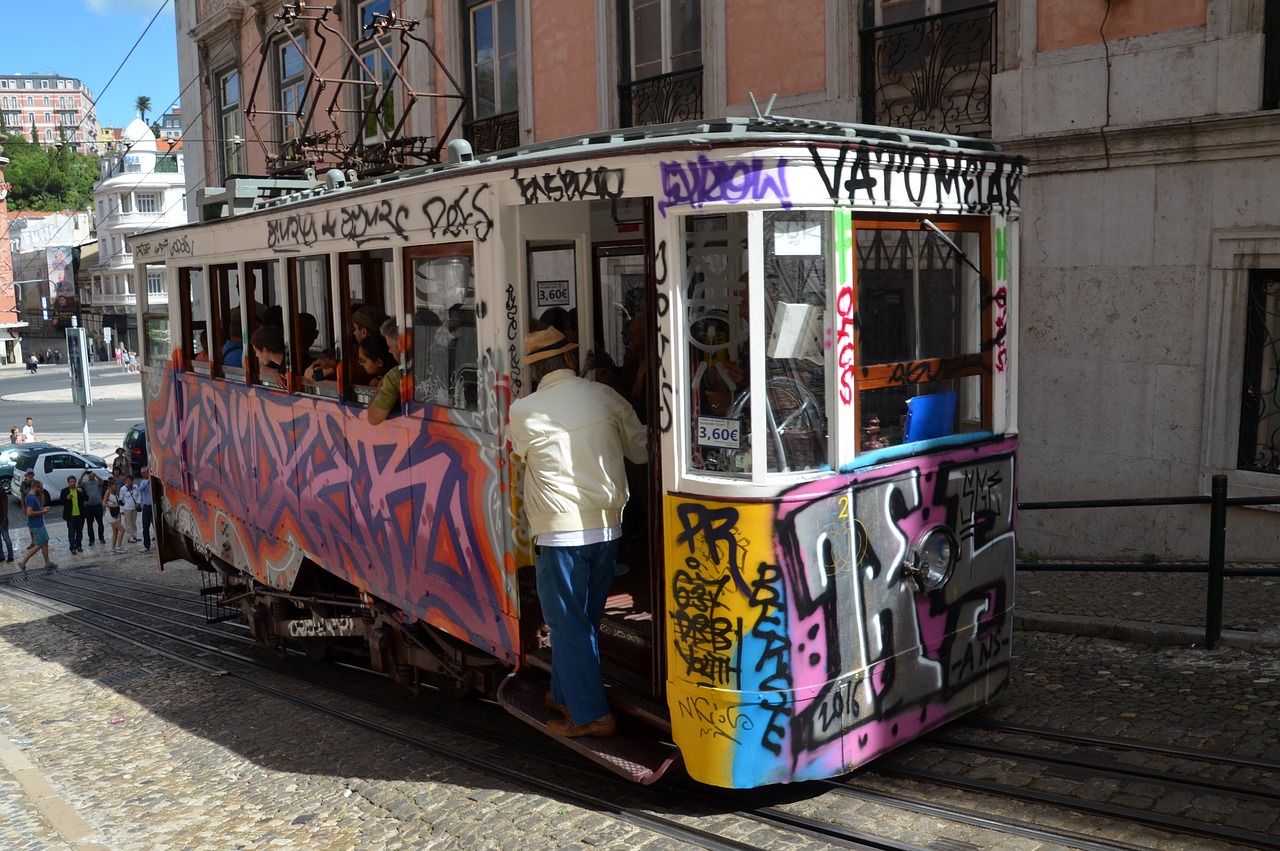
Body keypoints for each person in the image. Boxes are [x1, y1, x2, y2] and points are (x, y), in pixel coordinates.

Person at [507, 327, 648, 738]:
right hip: (608, 528)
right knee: (582, 619)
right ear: (569, 360)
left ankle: (591, 716)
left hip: (561, 534)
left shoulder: (525, 410)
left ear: (535, 370)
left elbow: (520, 457)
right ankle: (563, 693)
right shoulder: (603, 396)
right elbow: (640, 450)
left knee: (569, 625)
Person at [361, 336, 400, 425]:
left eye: (363, 361)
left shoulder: (391, 377)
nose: (390, 351)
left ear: (379, 362)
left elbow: (373, 418)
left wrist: (379, 387)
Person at [17, 480, 55, 571]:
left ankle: (47, 563)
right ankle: (23, 562)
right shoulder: (30, 498)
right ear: (36, 487)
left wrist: (42, 508)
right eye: (40, 487)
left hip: (39, 523)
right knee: (39, 544)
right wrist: (43, 511)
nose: (42, 489)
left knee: (45, 541)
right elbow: (29, 513)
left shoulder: (33, 497)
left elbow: (35, 508)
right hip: (36, 525)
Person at [60, 475, 87, 554]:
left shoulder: (79, 489)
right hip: (70, 516)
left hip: (80, 515)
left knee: (79, 531)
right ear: (68, 482)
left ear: (75, 482)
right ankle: (72, 547)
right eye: (70, 482)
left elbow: (87, 498)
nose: (72, 483)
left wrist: (82, 492)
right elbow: (61, 502)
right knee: (71, 532)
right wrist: (67, 499)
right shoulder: (64, 491)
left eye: (73, 481)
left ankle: (79, 545)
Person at [80, 470, 105, 546]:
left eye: (92, 475)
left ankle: (101, 538)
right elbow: (79, 484)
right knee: (89, 524)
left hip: (98, 505)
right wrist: (82, 476)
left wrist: (96, 475)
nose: (91, 476)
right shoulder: (85, 483)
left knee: (100, 522)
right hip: (88, 506)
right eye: (89, 475)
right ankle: (91, 539)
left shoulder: (97, 483)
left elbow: (102, 482)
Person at [104, 478, 126, 554]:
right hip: (110, 514)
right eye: (115, 484)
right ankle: (119, 547)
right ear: (111, 485)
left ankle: (113, 549)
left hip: (116, 514)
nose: (117, 486)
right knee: (122, 529)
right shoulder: (108, 492)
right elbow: (103, 503)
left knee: (115, 532)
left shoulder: (114, 492)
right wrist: (113, 506)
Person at [119, 475, 140, 543]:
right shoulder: (123, 489)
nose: (128, 482)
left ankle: (134, 535)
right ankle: (129, 536)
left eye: (129, 480)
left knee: (133, 522)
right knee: (128, 523)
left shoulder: (135, 487)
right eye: (127, 480)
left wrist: (138, 503)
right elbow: (120, 499)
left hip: (134, 507)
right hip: (127, 508)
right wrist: (121, 509)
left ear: (132, 481)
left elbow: (139, 495)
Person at [138, 467, 153, 551]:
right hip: (146, 507)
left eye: (144, 473)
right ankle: (146, 545)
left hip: (153, 506)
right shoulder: (143, 482)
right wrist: (148, 481)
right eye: (142, 473)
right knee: (145, 527)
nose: (143, 474)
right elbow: (141, 489)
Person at [0, 485, 13, 562]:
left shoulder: (1, 492)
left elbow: (5, 505)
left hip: (2, 520)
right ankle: (1, 556)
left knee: (6, 538)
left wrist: (4, 518)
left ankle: (10, 556)